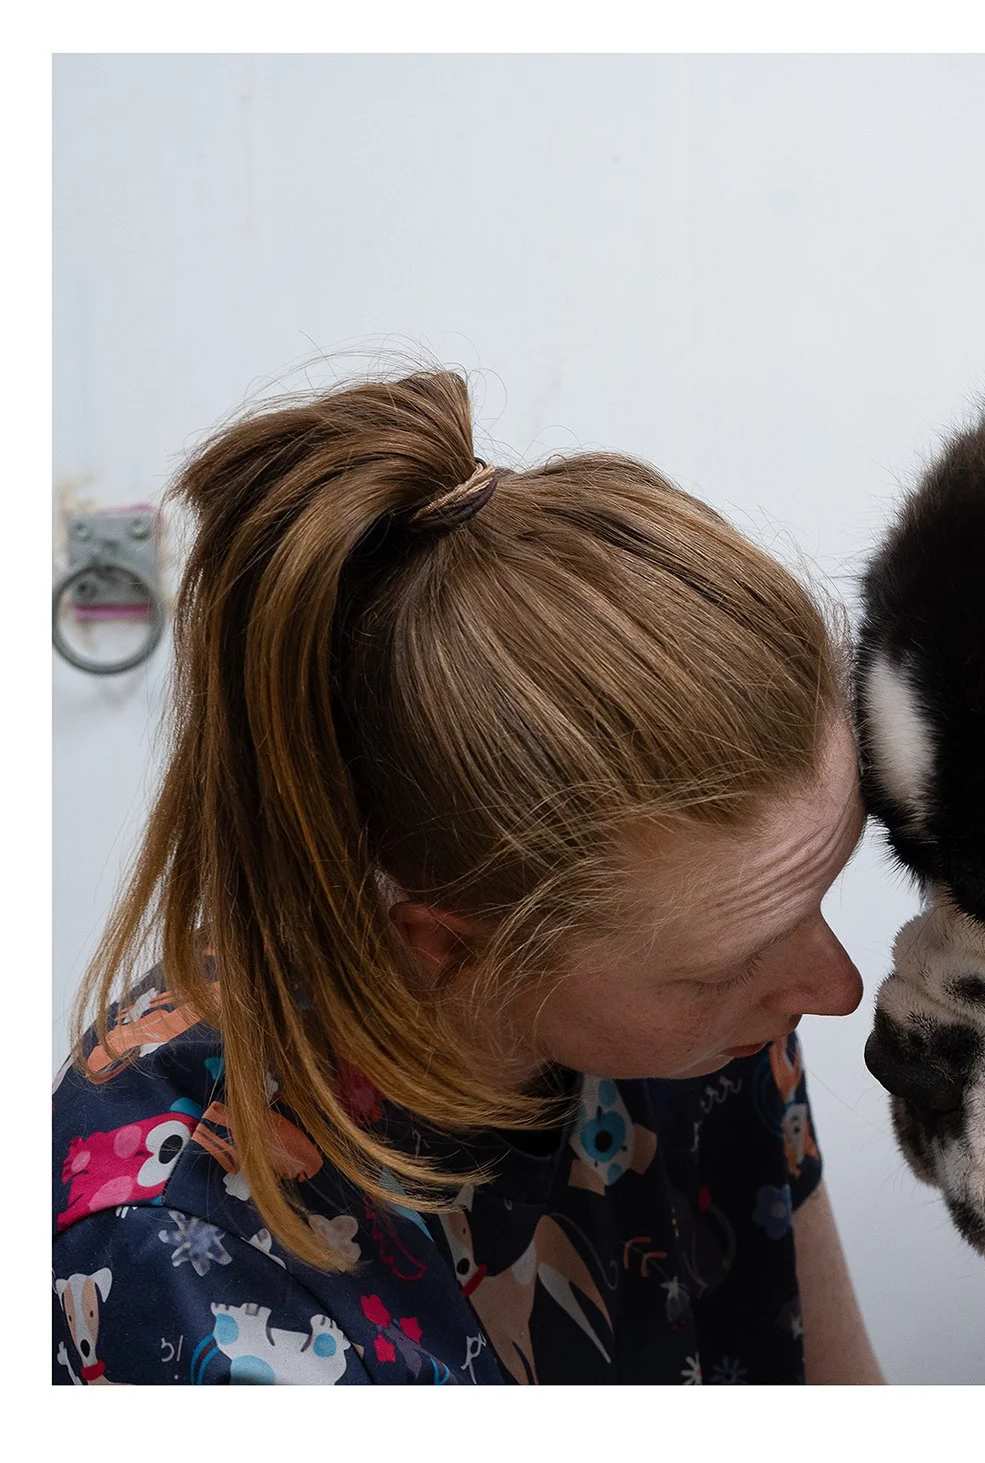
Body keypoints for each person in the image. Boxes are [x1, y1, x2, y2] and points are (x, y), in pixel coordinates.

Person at [53, 371, 884, 1384]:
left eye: (818, 898)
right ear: (446, 946)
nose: (839, 989)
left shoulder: (720, 1011)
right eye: (726, 965)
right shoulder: (167, 1259)